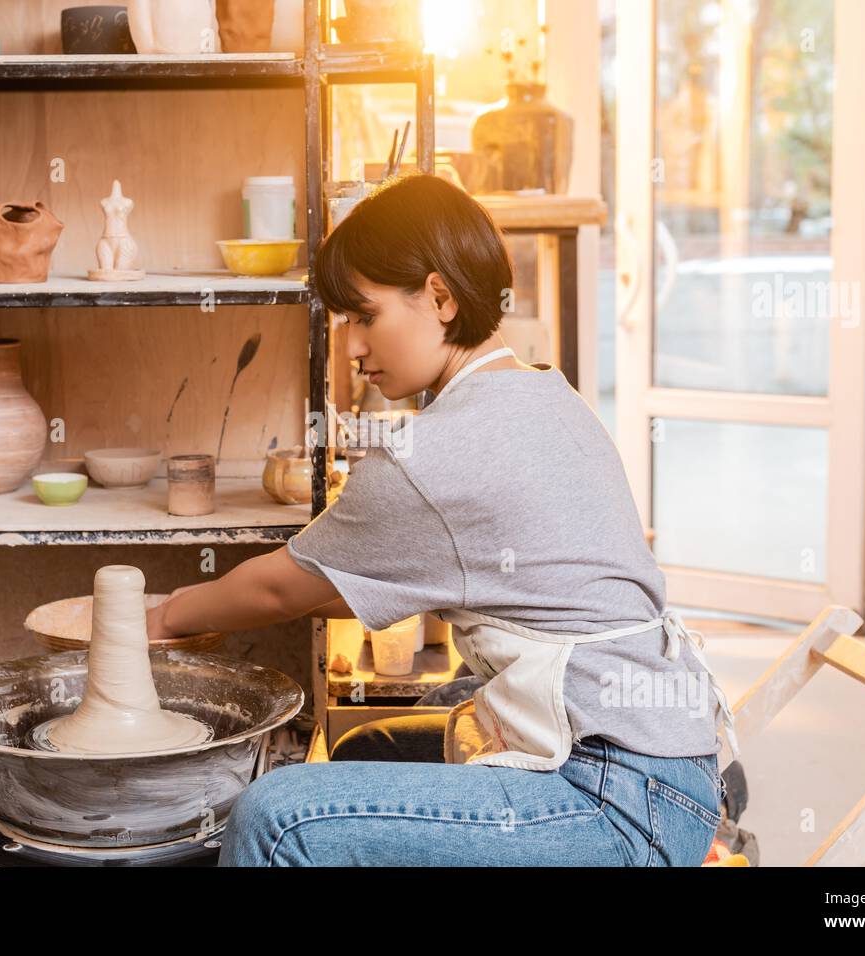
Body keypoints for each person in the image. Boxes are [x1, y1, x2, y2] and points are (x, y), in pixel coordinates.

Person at [147, 173, 737, 866]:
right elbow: (357, 582)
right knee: (368, 748)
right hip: (672, 760)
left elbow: (283, 588)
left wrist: (159, 620)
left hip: (623, 802)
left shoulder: (431, 453)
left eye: (365, 317)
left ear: (440, 297)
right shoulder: (545, 393)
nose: (354, 348)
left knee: (277, 819)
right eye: (344, 325)